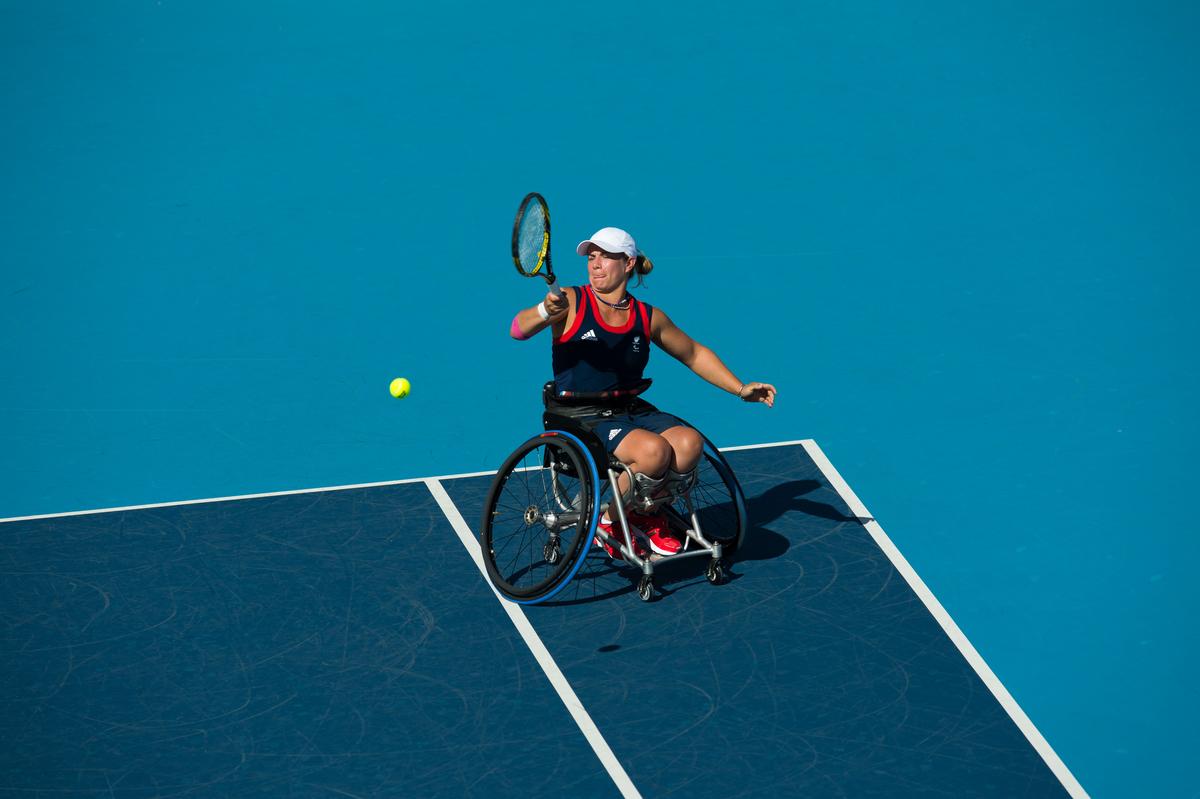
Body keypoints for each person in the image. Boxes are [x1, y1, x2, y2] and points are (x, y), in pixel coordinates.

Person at [509, 226, 776, 558]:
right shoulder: (571, 301)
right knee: (653, 453)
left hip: (628, 409)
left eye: (605, 256)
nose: (595, 263)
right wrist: (545, 311)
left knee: (690, 443)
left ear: (628, 263)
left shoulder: (647, 317)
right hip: (579, 415)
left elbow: (692, 353)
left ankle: (645, 514)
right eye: (592, 256)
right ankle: (606, 519)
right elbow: (518, 329)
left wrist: (739, 388)